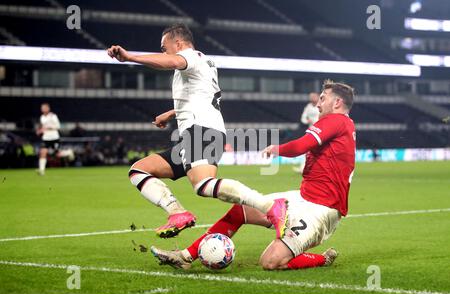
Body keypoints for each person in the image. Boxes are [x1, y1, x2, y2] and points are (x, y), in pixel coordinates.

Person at [151, 80, 356, 271]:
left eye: (323, 98)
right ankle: (185, 256)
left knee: (270, 262)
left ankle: (323, 258)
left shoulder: (336, 120)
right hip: (303, 197)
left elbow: (302, 145)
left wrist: (277, 148)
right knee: (241, 210)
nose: (318, 103)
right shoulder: (343, 124)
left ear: (337, 102)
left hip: (320, 209)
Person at [107, 24, 287, 239]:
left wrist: (131, 58)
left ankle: (270, 206)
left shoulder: (190, 57)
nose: (164, 52)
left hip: (201, 131)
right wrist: (172, 113)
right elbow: (201, 97)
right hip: (196, 133)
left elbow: (173, 61)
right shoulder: (204, 63)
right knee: (139, 170)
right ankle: (177, 213)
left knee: (203, 185)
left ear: (179, 44)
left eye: (165, 48)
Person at [36, 102, 74, 175]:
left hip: (54, 137)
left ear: (48, 108)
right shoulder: (42, 117)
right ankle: (41, 170)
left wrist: (49, 127)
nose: (43, 109)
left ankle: (69, 152)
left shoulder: (53, 116)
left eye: (44, 107)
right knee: (43, 152)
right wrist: (40, 130)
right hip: (46, 138)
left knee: (57, 154)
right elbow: (43, 127)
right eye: (42, 108)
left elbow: (58, 126)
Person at [293, 92, 320, 174]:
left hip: (322, 131)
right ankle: (303, 168)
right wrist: (308, 120)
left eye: (314, 96)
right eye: (311, 97)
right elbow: (303, 119)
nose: (312, 98)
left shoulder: (322, 106)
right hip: (311, 131)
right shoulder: (308, 107)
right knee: (307, 149)